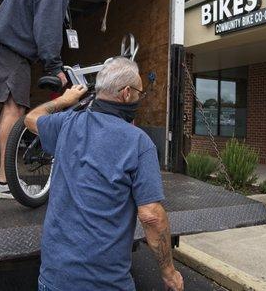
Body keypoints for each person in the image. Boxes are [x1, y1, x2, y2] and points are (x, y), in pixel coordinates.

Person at [24, 57, 184, 291]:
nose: (140, 98)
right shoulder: (139, 143)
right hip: (105, 284)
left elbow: (30, 119)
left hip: (54, 279)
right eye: (140, 92)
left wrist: (64, 100)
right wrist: (169, 273)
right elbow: (151, 216)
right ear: (127, 93)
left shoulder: (66, 123)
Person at [0, 0, 85, 199]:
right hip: (9, 47)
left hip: (3, 45)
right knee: (15, 110)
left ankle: (3, 179)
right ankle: (4, 182)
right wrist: (54, 67)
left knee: (12, 108)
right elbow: (46, 27)